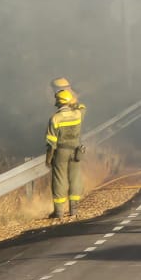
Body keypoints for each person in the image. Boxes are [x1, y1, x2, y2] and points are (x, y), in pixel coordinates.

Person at [45, 77, 86, 220]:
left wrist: (48, 159)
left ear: (57, 102)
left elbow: (51, 143)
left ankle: (59, 212)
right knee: (75, 179)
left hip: (61, 153)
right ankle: (74, 210)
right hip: (76, 151)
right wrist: (73, 98)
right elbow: (82, 107)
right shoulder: (78, 114)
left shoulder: (55, 118)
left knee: (59, 180)